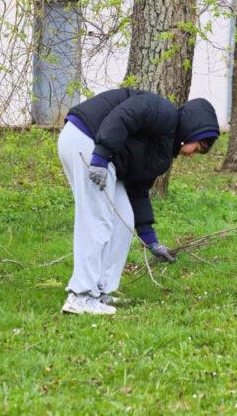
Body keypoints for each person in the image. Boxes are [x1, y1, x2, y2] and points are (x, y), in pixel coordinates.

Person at [57, 88, 219, 315]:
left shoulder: (163, 149)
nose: (192, 154)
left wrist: (150, 240)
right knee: (97, 219)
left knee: (123, 219)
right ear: (192, 133)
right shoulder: (163, 112)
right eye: (197, 147)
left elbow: (138, 188)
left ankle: (101, 291)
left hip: (98, 150)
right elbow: (123, 116)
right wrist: (101, 157)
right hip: (86, 139)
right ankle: (81, 296)